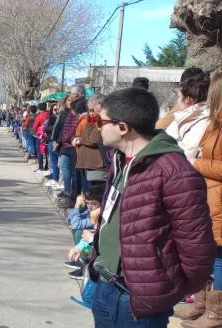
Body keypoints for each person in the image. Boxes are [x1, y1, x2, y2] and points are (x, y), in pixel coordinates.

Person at [79, 87, 216, 327]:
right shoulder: (118, 160)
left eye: (100, 122)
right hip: (105, 284)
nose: (97, 127)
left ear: (123, 127)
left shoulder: (174, 171)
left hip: (139, 298)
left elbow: (197, 246)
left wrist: (167, 290)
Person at [178, 74, 222, 326]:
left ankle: (215, 314)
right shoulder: (215, 124)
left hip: (219, 200)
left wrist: (196, 162)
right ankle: (203, 304)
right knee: (210, 253)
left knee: (219, 257)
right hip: (210, 197)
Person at [166, 71, 211, 160]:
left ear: (187, 99)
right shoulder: (185, 116)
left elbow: (185, 157)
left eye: (179, 96)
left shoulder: (202, 122)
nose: (178, 101)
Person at [65, 184, 104, 279]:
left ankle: (85, 264)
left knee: (79, 231)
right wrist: (77, 206)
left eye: (93, 204)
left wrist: (77, 207)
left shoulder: (98, 214)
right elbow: (71, 220)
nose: (90, 207)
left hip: (97, 247)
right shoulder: (91, 211)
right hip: (90, 243)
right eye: (87, 203)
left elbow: (75, 224)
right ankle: (83, 261)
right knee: (79, 232)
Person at [73, 94, 106, 193]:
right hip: (86, 164)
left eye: (93, 110)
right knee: (87, 191)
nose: (91, 113)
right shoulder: (90, 121)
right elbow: (82, 134)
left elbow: (94, 139)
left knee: (93, 192)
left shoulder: (102, 121)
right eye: (89, 110)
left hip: (95, 165)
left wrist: (80, 140)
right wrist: (76, 138)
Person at [32, 102, 50, 173]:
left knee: (40, 152)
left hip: (40, 136)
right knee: (47, 153)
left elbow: (34, 127)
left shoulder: (39, 116)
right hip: (48, 135)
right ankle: (47, 167)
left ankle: (41, 167)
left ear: (39, 109)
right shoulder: (49, 115)